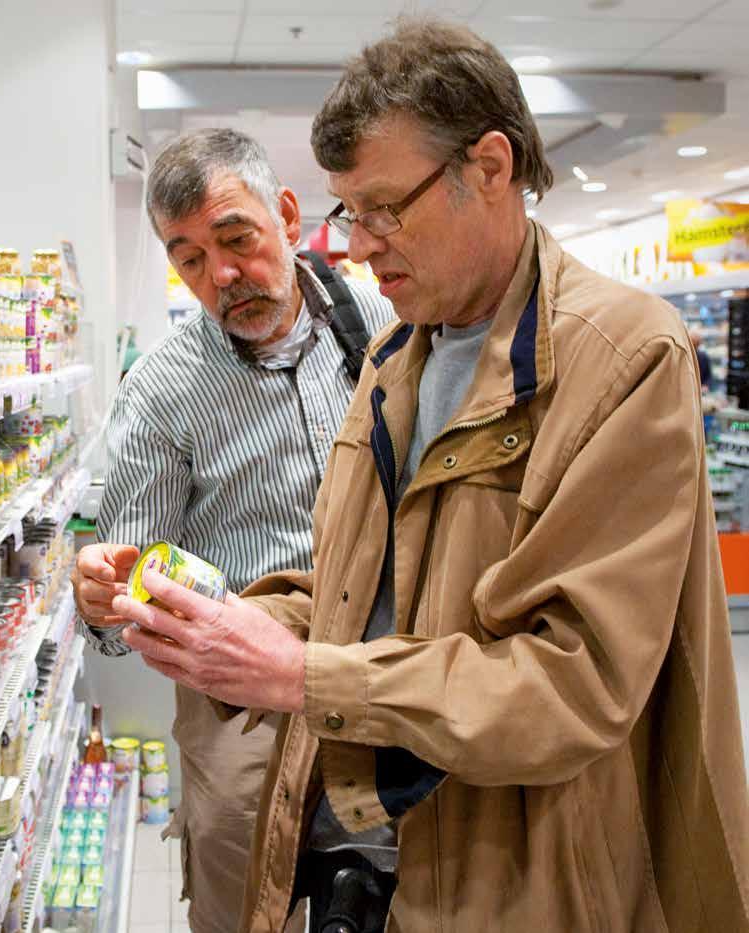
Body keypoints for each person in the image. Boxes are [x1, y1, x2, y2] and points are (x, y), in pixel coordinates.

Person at [110, 18, 749, 933]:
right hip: (370, 853)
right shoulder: (396, 353)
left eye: (383, 208)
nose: (360, 246)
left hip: (519, 871)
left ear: (488, 168)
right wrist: (233, 624)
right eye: (349, 214)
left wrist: (307, 675)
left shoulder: (623, 359)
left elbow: (575, 680)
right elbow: (363, 590)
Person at [72, 128, 393, 933]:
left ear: (286, 214)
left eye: (235, 238)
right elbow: (128, 595)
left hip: (388, 683)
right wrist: (106, 598)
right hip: (245, 723)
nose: (218, 276)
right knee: (248, 908)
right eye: (186, 258)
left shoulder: (387, 322)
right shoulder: (162, 390)